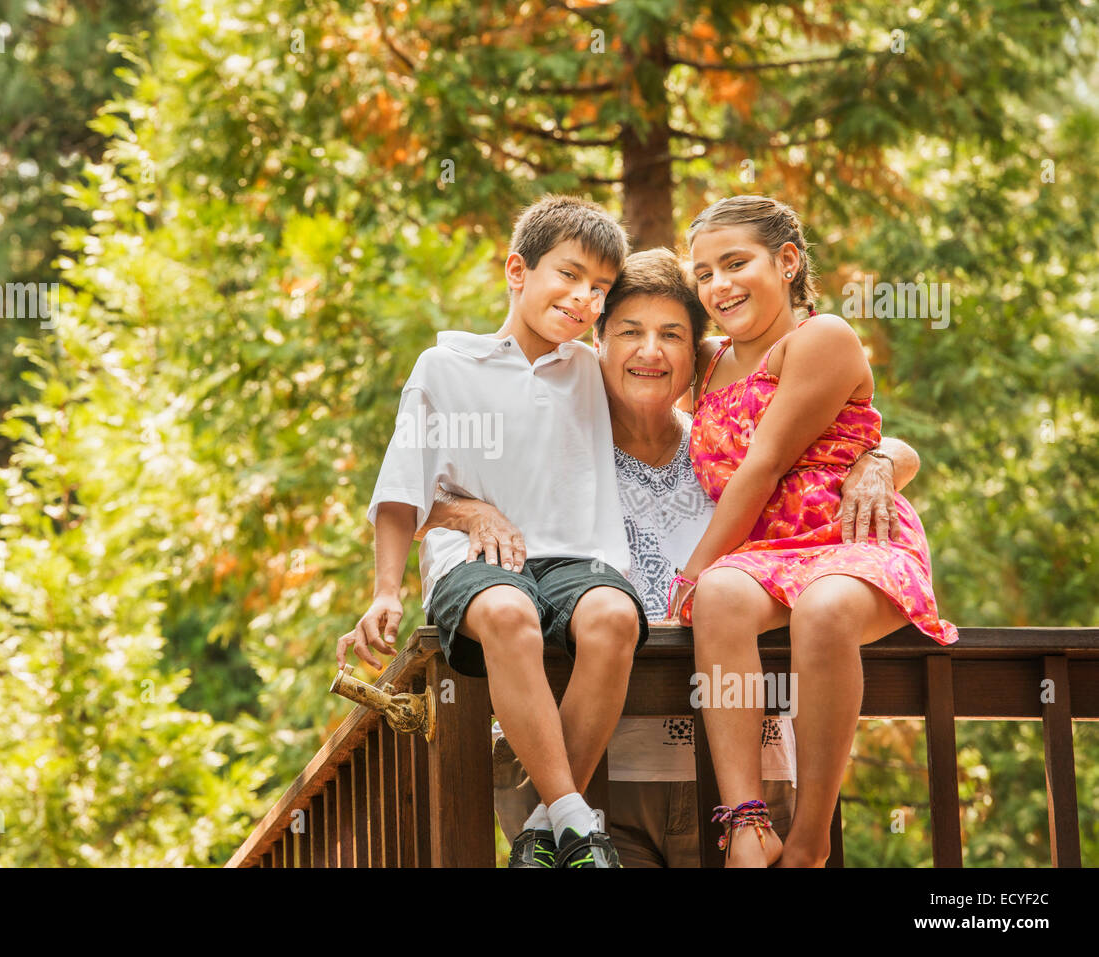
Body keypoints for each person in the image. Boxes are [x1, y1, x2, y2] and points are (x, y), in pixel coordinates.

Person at [424, 247, 920, 866]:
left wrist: (882, 460)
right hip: (597, 780)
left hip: (745, 779)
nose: (649, 353)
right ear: (594, 345)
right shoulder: (554, 443)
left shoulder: (729, 454)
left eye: (672, 336)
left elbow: (845, 433)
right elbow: (421, 492)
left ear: (701, 357)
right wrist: (471, 511)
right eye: (628, 333)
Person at [338, 195, 650, 868]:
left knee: (615, 619)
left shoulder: (595, 373)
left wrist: (878, 452)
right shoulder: (448, 366)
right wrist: (387, 590)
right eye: (568, 274)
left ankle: (544, 828)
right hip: (476, 563)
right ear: (518, 270)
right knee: (509, 613)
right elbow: (402, 487)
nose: (583, 297)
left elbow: (693, 386)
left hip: (577, 558)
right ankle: (580, 824)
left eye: (599, 288)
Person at [668, 195, 958, 867]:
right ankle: (746, 820)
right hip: (766, 556)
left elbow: (765, 464)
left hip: (851, 546)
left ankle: (808, 840)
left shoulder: (822, 337)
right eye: (704, 272)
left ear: (788, 260)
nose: (718, 285)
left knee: (823, 610)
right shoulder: (706, 363)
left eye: (736, 263)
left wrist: (689, 570)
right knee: (719, 597)